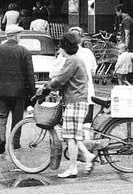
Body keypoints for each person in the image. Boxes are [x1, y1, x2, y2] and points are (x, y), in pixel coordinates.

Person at [41, 29, 96, 178]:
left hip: (75, 101)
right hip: (78, 100)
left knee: (70, 137)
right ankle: (87, 156)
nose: (59, 49)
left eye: (60, 46)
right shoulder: (76, 59)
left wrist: (46, 89)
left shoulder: (71, 61)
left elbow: (60, 79)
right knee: (73, 135)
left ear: (65, 47)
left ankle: (72, 168)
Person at [0, 28, 35, 154]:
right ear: (16, 36)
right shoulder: (24, 52)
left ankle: (1, 138)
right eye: (19, 35)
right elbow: (30, 75)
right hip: (19, 92)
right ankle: (15, 142)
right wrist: (32, 93)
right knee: (17, 118)